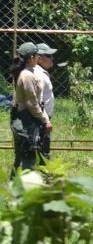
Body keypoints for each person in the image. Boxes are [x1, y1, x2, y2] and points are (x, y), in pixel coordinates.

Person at [9, 42, 52, 172]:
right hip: (27, 121)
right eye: (36, 56)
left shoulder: (24, 73)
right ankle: (26, 186)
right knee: (28, 159)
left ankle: (14, 185)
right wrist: (46, 120)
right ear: (30, 58)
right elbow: (32, 104)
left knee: (20, 156)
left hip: (21, 118)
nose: (38, 58)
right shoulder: (27, 76)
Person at [34, 42, 57, 160]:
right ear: (39, 58)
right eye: (48, 56)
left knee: (40, 149)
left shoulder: (40, 73)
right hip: (41, 119)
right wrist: (46, 120)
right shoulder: (39, 75)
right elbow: (38, 101)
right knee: (42, 151)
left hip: (41, 118)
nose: (52, 58)